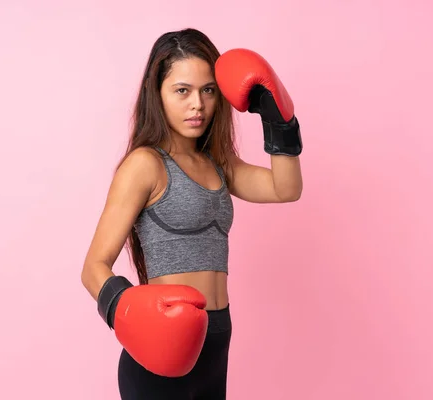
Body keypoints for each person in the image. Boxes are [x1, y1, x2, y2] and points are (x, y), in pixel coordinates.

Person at [81, 27, 303, 400]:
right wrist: (131, 314)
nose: (197, 104)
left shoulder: (218, 164)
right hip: (162, 346)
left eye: (208, 90)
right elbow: (93, 268)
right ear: (159, 94)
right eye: (182, 91)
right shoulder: (145, 165)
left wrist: (276, 117)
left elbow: (286, 189)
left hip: (217, 338)